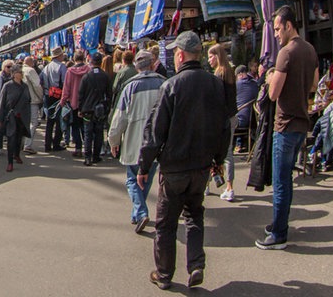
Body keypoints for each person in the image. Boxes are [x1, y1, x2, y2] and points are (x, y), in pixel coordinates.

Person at [138, 31, 230, 290]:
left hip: (174, 166)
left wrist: (144, 166)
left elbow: (155, 132)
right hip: (201, 165)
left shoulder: (171, 86)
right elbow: (225, 127)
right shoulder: (215, 84)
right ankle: (196, 265)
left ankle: (164, 274)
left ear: (180, 55)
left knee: (166, 223)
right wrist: (219, 159)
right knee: (194, 216)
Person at [257, 5, 318, 250]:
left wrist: (271, 78)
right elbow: (313, 85)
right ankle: (278, 223)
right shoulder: (310, 49)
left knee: (281, 181)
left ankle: (279, 233)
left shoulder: (286, 52)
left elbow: (273, 94)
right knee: (287, 179)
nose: (276, 34)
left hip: (285, 123)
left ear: (289, 25)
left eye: (278, 28)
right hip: (302, 123)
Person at [109, 50, 165, 233]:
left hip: (134, 140)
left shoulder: (130, 87)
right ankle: (137, 212)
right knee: (146, 175)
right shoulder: (163, 84)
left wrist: (113, 140)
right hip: (157, 141)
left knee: (132, 179)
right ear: (152, 64)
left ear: (136, 66)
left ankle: (140, 212)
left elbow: (120, 119)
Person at [208, 43, 239, 202]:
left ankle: (224, 186)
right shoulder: (230, 72)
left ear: (217, 56)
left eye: (211, 56)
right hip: (232, 116)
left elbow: (216, 100)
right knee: (227, 152)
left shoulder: (218, 75)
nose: (209, 60)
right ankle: (228, 185)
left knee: (215, 150)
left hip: (221, 119)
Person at [78, 51, 112, 166]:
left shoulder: (86, 77)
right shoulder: (105, 76)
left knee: (88, 134)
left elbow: (81, 94)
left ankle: (87, 157)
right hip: (100, 110)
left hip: (87, 110)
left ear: (91, 62)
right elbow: (109, 94)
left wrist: (80, 109)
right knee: (98, 133)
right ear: (101, 62)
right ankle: (96, 156)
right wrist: (107, 107)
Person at [0, 67, 32, 172]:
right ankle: (10, 162)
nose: (21, 74)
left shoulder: (25, 86)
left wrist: (28, 115)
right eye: (18, 72)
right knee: (11, 139)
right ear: (13, 74)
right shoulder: (7, 86)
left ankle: (17, 155)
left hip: (23, 117)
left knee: (19, 139)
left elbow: (28, 100)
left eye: (21, 72)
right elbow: (1, 103)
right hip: (11, 116)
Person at [60, 50, 91, 158]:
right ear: (83, 58)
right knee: (86, 127)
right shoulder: (89, 70)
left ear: (74, 59)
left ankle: (78, 148)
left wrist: (63, 100)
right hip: (86, 102)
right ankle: (87, 149)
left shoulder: (70, 71)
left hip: (73, 102)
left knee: (75, 126)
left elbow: (66, 87)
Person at [40, 47, 67, 152]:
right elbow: (65, 83)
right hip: (58, 95)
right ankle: (56, 144)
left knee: (49, 122)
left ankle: (47, 145)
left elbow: (40, 80)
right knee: (59, 121)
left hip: (48, 95)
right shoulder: (62, 67)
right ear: (59, 56)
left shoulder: (46, 68)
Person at [21, 56, 44, 154]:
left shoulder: (20, 70)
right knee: (33, 123)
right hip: (32, 100)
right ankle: (28, 145)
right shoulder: (31, 71)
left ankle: (21, 143)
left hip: (22, 101)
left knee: (23, 122)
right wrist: (41, 97)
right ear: (31, 63)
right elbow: (37, 85)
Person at [235, 65, 259, 152]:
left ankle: (236, 145)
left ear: (240, 75)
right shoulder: (255, 84)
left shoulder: (236, 85)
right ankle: (241, 144)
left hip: (240, 120)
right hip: (253, 120)